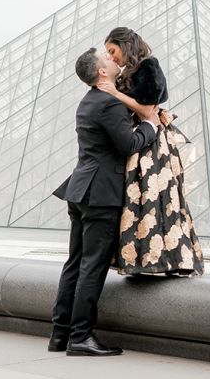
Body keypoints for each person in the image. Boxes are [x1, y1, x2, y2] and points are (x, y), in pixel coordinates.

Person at [50, 48, 159, 356]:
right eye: (108, 59)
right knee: (92, 267)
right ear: (101, 73)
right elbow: (128, 145)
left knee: (74, 263)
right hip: (101, 194)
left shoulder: (87, 102)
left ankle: (60, 334)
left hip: (80, 190)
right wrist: (150, 125)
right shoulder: (109, 104)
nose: (114, 60)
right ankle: (81, 337)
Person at [99, 27, 204, 277]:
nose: (111, 57)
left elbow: (148, 111)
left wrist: (114, 93)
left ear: (126, 45)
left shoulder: (148, 66)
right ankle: (147, 260)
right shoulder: (134, 69)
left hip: (152, 146)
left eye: (112, 51)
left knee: (154, 198)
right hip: (142, 141)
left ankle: (164, 260)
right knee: (142, 199)